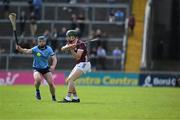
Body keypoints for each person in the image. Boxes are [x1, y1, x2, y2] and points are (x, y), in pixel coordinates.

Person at [16, 36, 57, 101]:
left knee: (51, 83)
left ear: (45, 42)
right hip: (37, 68)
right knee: (38, 80)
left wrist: (53, 66)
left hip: (45, 68)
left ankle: (53, 97)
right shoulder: (35, 49)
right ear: (38, 42)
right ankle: (37, 91)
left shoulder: (49, 49)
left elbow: (54, 58)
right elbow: (26, 51)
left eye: (43, 41)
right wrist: (20, 49)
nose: (41, 42)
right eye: (40, 41)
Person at [60, 30, 91, 103]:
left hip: (84, 64)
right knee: (68, 81)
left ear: (72, 37)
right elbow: (62, 49)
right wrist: (68, 47)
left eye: (68, 36)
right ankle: (76, 98)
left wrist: (72, 50)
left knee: (71, 79)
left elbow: (78, 57)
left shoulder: (81, 44)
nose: (67, 38)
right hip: (78, 64)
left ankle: (67, 98)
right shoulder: (70, 42)